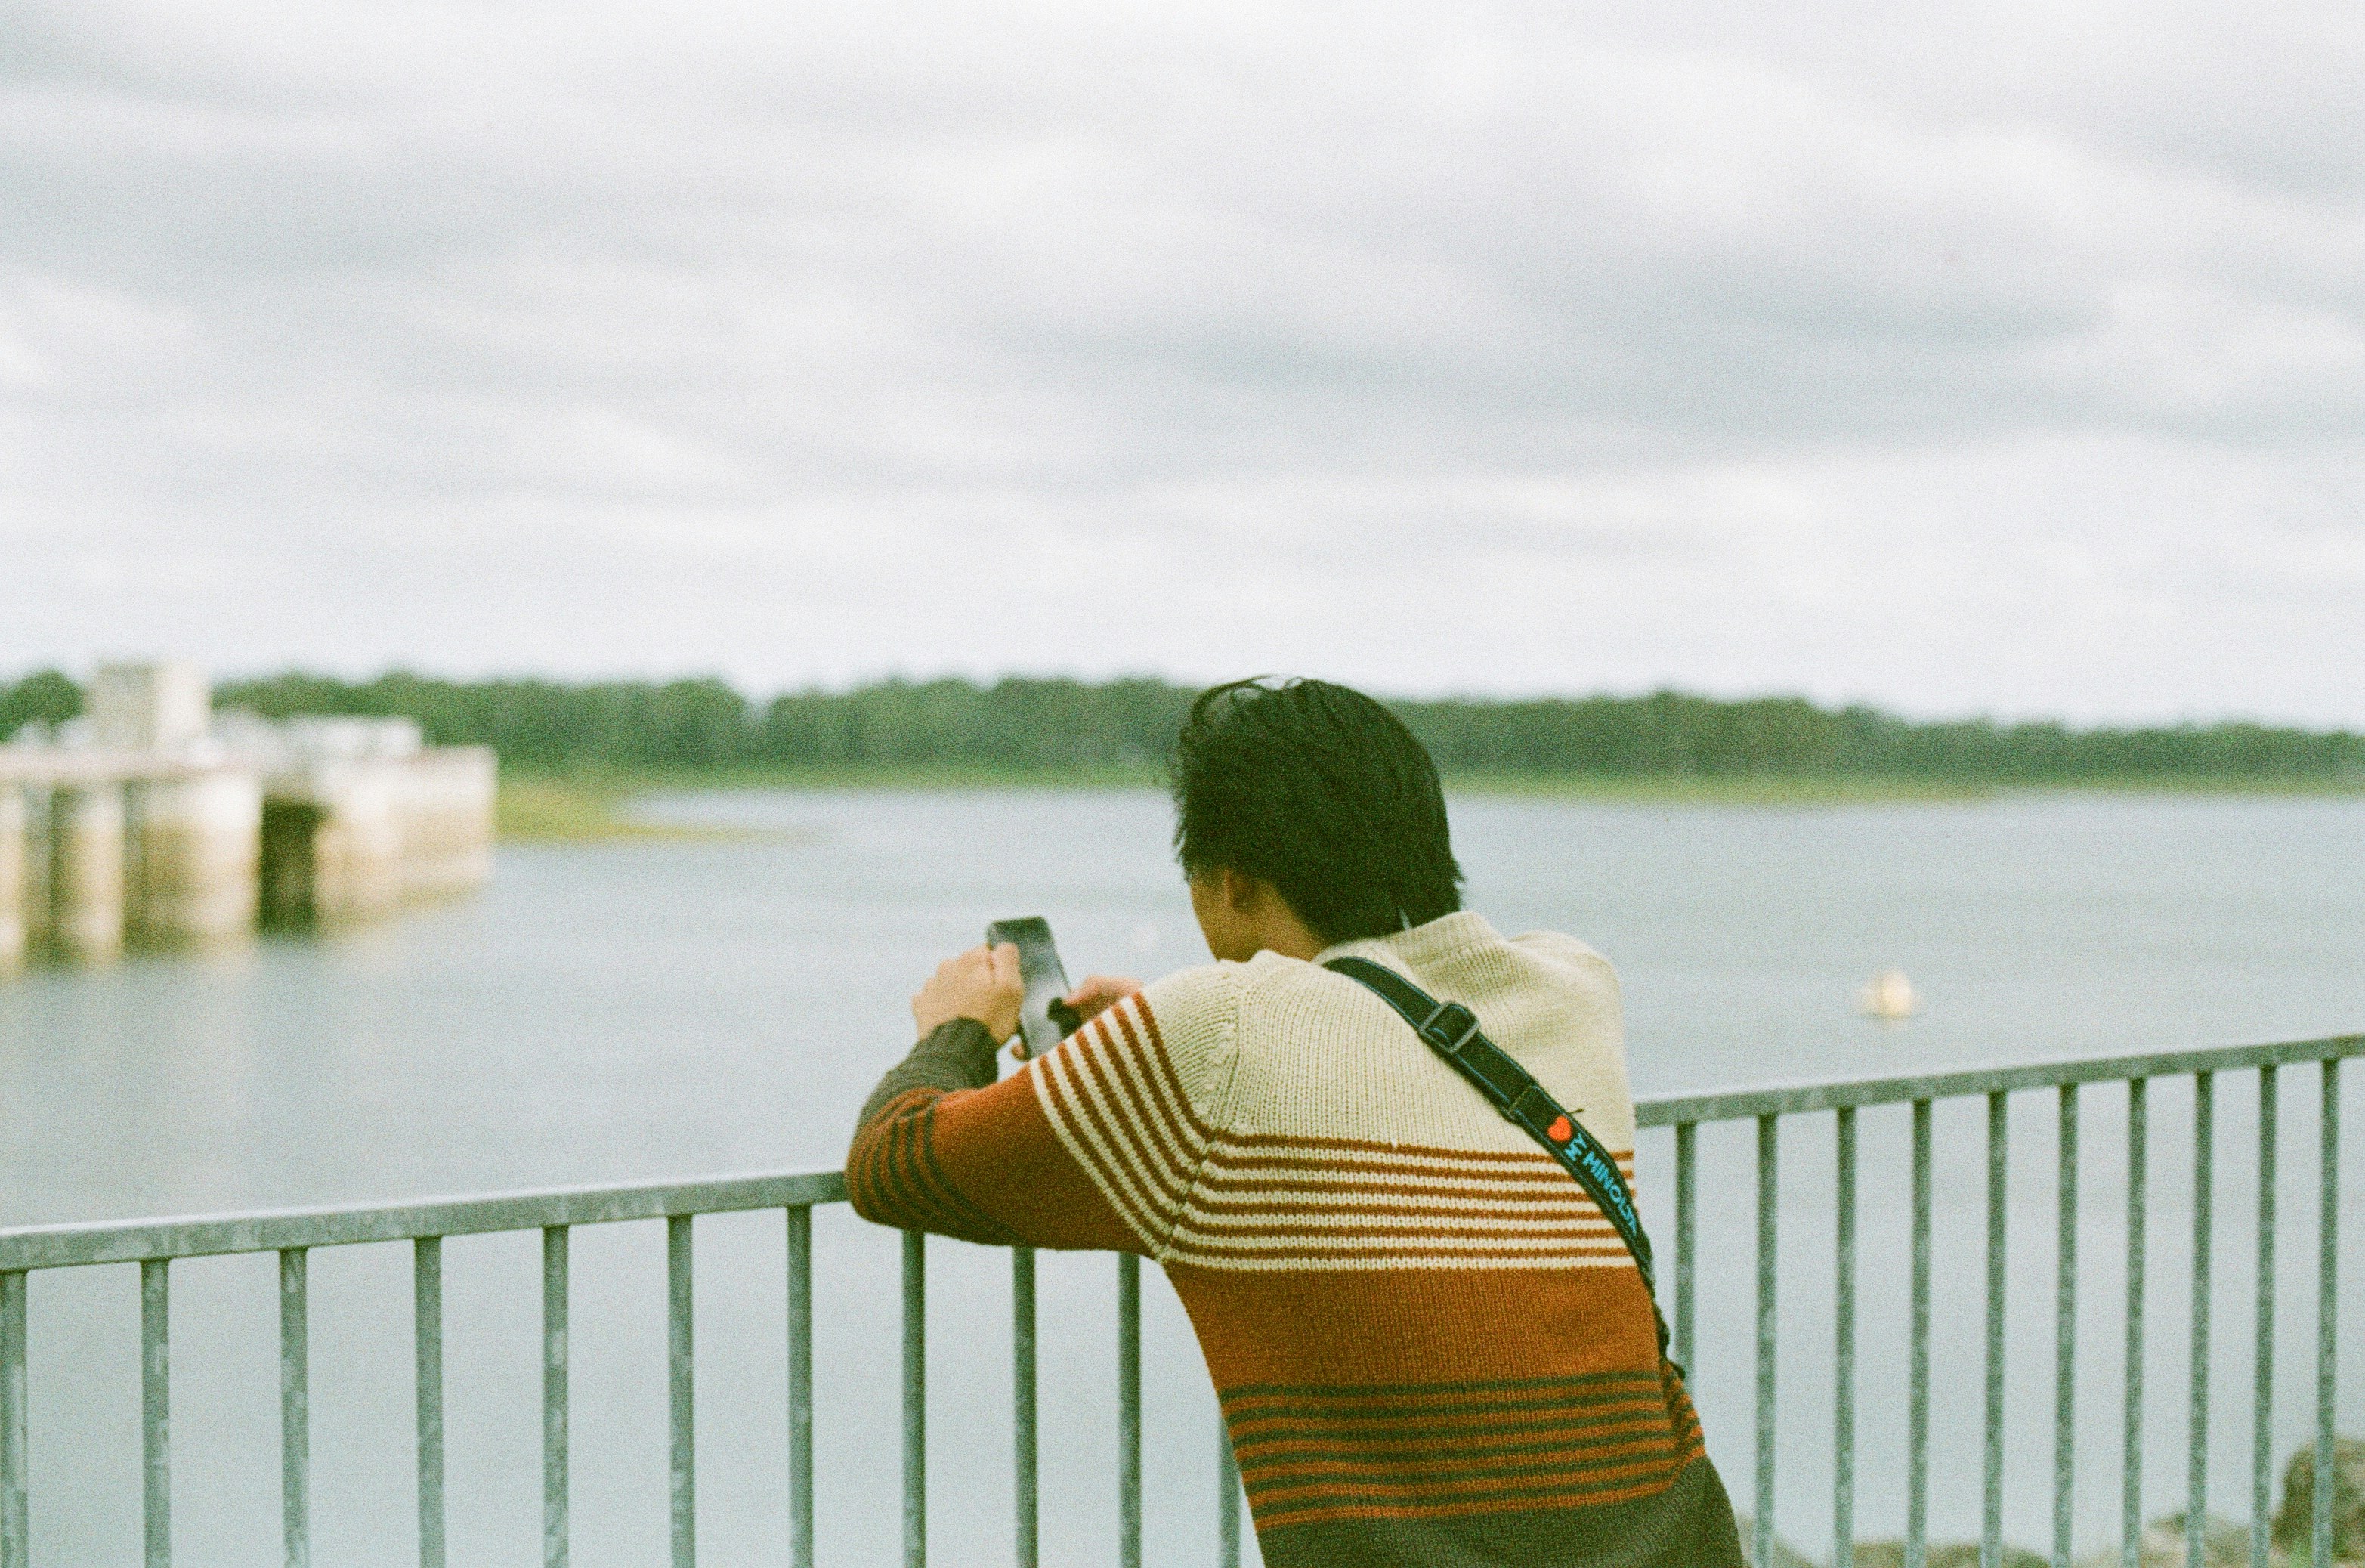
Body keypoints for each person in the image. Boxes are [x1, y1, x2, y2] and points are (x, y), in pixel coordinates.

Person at [846, 676, 1742, 1568]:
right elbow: (1366, 1027)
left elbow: (894, 1159)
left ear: (1228, 879)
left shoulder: (1219, 1038)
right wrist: (1164, 1034)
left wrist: (958, 1028)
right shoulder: (1575, 986)